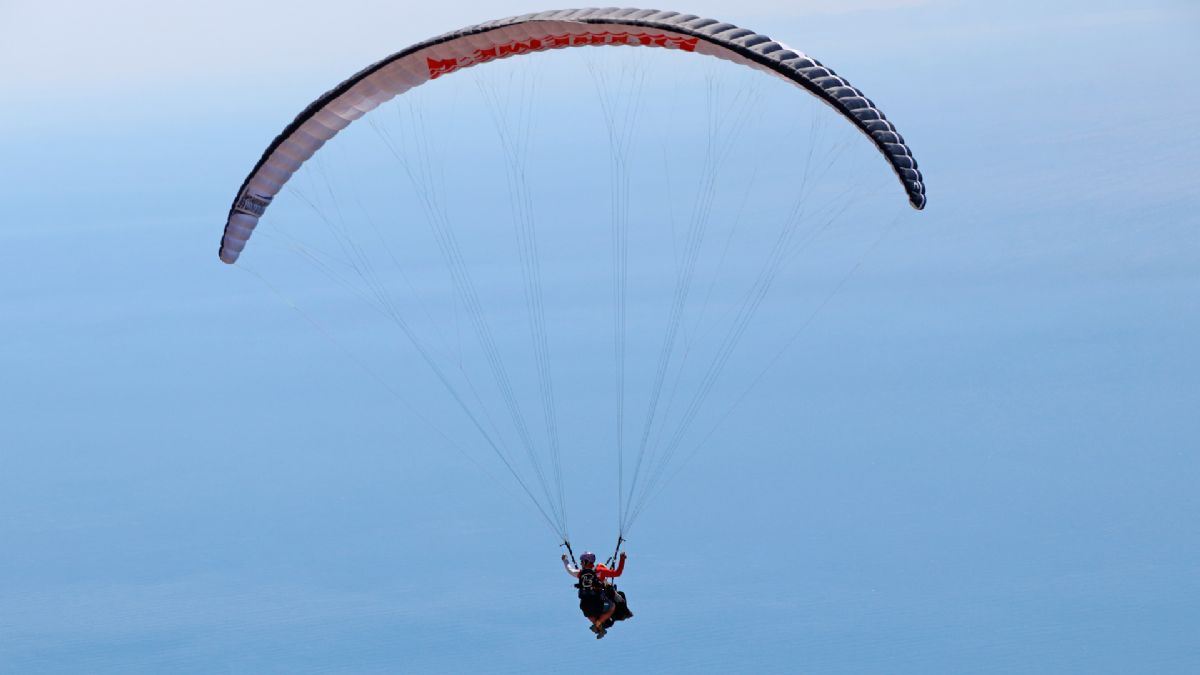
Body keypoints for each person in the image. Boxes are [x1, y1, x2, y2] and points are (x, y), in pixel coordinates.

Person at [562, 550, 627, 638]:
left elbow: (570, 570)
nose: (581, 563)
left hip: (584, 606)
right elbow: (617, 573)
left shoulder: (581, 573)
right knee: (612, 607)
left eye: (582, 561)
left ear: (586, 561)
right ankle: (599, 623)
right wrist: (622, 559)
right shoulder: (600, 571)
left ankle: (597, 626)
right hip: (598, 603)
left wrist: (565, 560)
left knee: (588, 612)